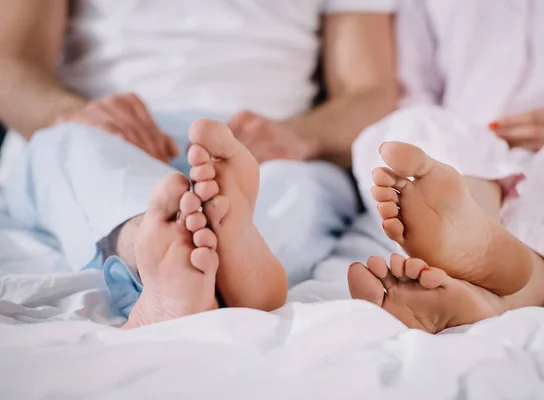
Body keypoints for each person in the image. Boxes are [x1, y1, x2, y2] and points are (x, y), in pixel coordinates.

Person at [0, 0, 398, 288]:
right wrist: (75, 114)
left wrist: (299, 136)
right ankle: (162, 251)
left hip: (268, 150)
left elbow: (371, 92)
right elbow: (9, 64)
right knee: (74, 149)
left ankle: (184, 267)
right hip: (105, 132)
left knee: (298, 191)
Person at [346, 0, 544, 333]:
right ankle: (472, 232)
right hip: (464, 145)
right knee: (412, 128)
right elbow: (414, 90)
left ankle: (482, 290)